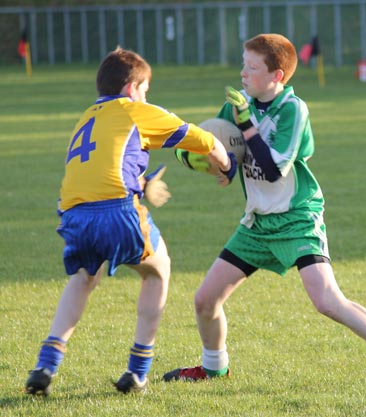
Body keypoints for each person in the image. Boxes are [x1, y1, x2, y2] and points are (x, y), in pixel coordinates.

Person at [162, 34, 366, 384]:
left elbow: (274, 167)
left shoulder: (293, 109)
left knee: (327, 301)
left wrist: (246, 124)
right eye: (243, 64)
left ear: (276, 76)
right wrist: (203, 159)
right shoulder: (236, 104)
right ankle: (214, 367)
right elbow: (220, 148)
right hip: (257, 223)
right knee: (205, 299)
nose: (243, 73)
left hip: (296, 218)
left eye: (252, 67)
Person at [25, 46, 237, 396]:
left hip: (74, 213)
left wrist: (142, 183)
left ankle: (46, 364)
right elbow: (204, 139)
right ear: (131, 89)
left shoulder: (86, 117)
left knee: (83, 278)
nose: (146, 98)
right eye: (145, 91)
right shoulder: (136, 110)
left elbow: (101, 167)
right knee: (158, 270)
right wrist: (227, 165)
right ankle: (138, 372)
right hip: (117, 210)